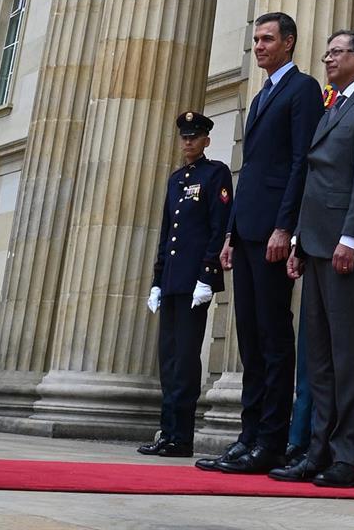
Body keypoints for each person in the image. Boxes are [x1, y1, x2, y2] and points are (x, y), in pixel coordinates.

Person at [196, 13, 323, 475]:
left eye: (267, 39)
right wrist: (229, 233)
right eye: (254, 39)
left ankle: (272, 441)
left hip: (272, 232)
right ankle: (248, 435)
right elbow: (248, 171)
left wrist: (284, 228)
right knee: (248, 337)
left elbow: (299, 164)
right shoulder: (262, 92)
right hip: (246, 230)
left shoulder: (303, 89)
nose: (258, 46)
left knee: (272, 336)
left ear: (288, 43)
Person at [270, 30, 354, 488]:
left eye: (337, 51)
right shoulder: (336, 104)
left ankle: (347, 458)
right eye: (327, 51)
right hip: (318, 244)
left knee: (347, 357)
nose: (327, 57)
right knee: (319, 358)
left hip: (344, 248)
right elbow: (315, 180)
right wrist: (301, 242)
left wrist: (351, 238)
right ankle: (317, 450)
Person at [138, 111, 232, 458]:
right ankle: (168, 432)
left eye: (195, 136)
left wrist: (207, 277)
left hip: (195, 282)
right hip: (174, 281)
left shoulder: (215, 174)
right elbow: (167, 233)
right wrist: (157, 280)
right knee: (168, 359)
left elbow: (217, 226)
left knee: (186, 361)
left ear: (206, 140)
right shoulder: (176, 179)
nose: (188, 142)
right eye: (185, 137)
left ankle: (182, 437)